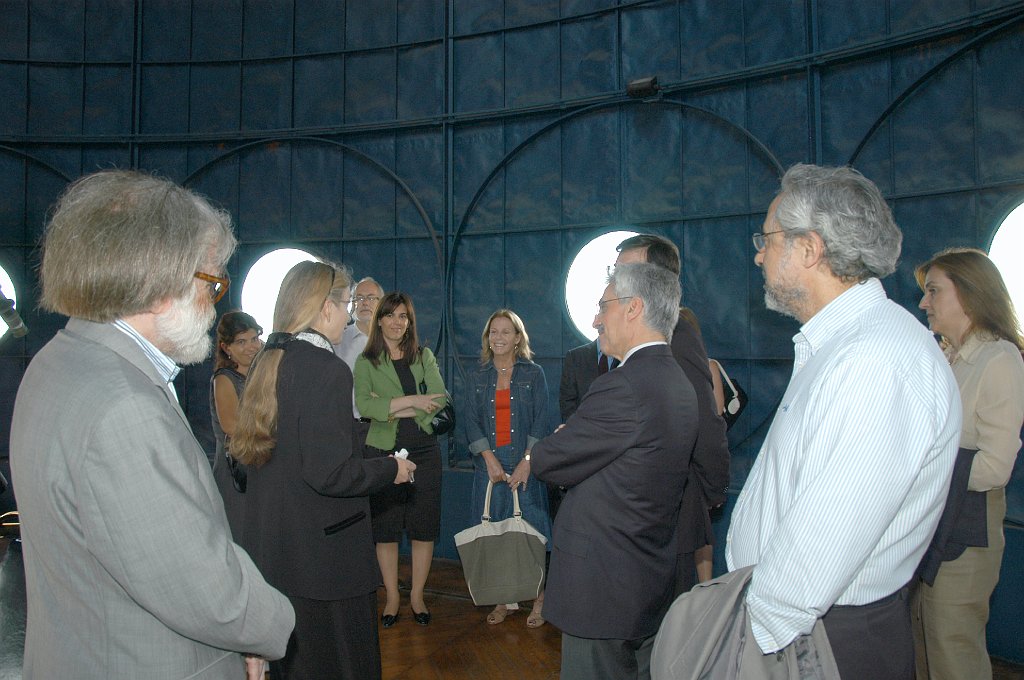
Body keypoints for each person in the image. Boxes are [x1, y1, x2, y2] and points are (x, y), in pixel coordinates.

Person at [9, 169, 294, 680]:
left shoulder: (58, 360)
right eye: (212, 283)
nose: (214, 304)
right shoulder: (123, 406)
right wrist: (271, 627)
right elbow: (205, 591)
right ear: (160, 284)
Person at [725, 164, 961, 680]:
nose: (759, 254)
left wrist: (748, 643)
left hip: (817, 639)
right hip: (805, 628)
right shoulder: (845, 344)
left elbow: (818, 549)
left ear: (809, 249)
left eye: (767, 240)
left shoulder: (876, 360)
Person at [232, 260, 415, 680]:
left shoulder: (267, 360)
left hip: (279, 551)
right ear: (325, 307)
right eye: (347, 304)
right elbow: (330, 474)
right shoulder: (326, 368)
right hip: (326, 559)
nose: (349, 317)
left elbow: (296, 450)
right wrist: (391, 469)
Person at [532, 262, 698, 680]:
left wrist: (565, 437)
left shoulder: (622, 385)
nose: (595, 320)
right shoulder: (678, 381)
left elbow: (549, 460)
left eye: (603, 306)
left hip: (602, 585)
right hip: (646, 576)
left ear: (632, 308)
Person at [913, 248, 1024, 680]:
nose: (924, 302)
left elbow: (995, 467)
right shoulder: (949, 359)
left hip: (967, 527)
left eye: (934, 291)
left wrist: (923, 468)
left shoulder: (999, 360)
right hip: (934, 522)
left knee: (952, 651)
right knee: (924, 647)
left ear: (970, 294)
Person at [614, 234, 731, 595]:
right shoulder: (632, 336)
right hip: (635, 513)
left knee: (668, 618)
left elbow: (704, 417)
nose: (616, 279)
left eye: (626, 270)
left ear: (659, 279)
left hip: (671, 511)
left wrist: (712, 488)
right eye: (615, 271)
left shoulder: (677, 333)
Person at [354, 292, 448, 628]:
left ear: (410, 322)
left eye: (403, 316)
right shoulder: (366, 361)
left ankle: (417, 596)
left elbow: (439, 400)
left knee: (423, 528)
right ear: (379, 321)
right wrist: (413, 401)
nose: (397, 322)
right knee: (386, 530)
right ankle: (392, 597)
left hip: (424, 452)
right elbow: (365, 406)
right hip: (383, 453)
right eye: (390, 315)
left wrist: (391, 406)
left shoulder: (423, 356)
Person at [466, 309, 553, 627]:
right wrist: (489, 460)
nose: (498, 337)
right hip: (489, 468)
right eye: (493, 332)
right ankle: (504, 599)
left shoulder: (534, 374)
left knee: (531, 536)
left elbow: (542, 420)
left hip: (525, 466)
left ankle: (539, 599)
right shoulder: (477, 376)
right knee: (497, 534)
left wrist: (527, 462)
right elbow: (471, 421)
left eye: (506, 332)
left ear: (518, 338)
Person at [210, 310, 263, 536]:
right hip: (237, 473)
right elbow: (231, 426)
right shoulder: (224, 379)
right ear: (226, 347)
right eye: (242, 342)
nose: (251, 347)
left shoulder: (262, 373)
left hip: (261, 467)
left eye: (254, 339)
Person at [335, 276, 384, 372]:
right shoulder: (338, 338)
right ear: (352, 304)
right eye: (359, 298)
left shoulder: (391, 339)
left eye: (371, 298)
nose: (365, 302)